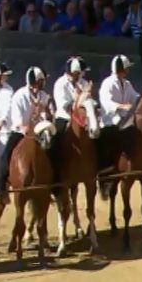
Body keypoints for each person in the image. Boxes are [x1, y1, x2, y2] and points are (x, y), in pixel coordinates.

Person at [96, 55, 142, 186]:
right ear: (119, 68)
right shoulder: (108, 83)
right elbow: (106, 102)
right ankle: (107, 169)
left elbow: (136, 97)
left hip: (126, 119)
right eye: (126, 68)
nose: (128, 71)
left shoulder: (127, 84)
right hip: (111, 122)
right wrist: (120, 106)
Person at [0, 67, 51, 205]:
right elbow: (17, 119)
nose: (44, 83)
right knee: (5, 155)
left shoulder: (44, 96)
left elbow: (49, 116)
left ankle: (53, 187)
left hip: (40, 131)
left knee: (53, 150)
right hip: (20, 131)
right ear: (36, 81)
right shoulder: (19, 96)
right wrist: (26, 125)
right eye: (42, 80)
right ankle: (1, 187)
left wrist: (44, 111)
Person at [49, 56, 90, 200]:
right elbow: (64, 105)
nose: (83, 75)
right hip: (64, 118)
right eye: (80, 72)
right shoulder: (60, 84)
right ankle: (54, 178)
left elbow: (89, 101)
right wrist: (78, 101)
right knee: (54, 143)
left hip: (83, 118)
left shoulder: (83, 83)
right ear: (74, 72)